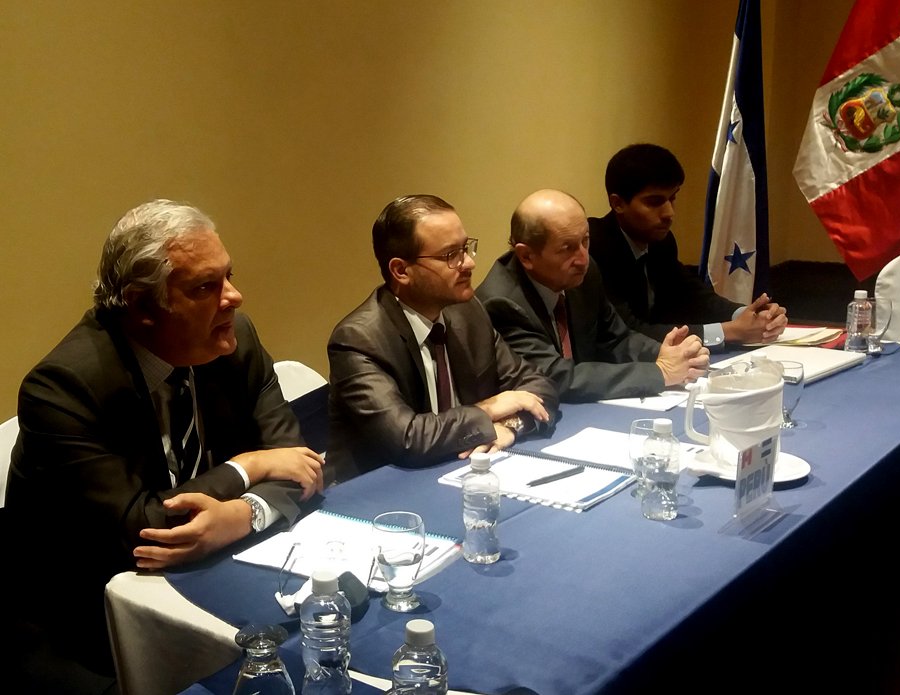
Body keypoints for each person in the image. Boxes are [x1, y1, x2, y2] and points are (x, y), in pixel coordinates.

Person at [6, 200, 325, 678]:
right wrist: (250, 467)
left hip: (211, 572)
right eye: (205, 287)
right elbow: (143, 528)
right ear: (141, 306)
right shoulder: (64, 388)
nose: (234, 297)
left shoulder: (231, 339)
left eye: (228, 276)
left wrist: (243, 514)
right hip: (90, 626)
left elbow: (295, 461)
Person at [326, 194, 559, 479]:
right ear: (401, 270)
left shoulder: (468, 313)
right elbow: (408, 438)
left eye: (465, 248)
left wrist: (509, 427)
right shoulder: (358, 340)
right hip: (382, 488)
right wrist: (486, 411)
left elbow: (538, 386)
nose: (469, 263)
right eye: (450, 255)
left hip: (457, 468)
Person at [476, 189, 709, 402]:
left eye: (585, 240)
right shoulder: (502, 304)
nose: (583, 259)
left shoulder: (582, 273)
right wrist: (661, 372)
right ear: (526, 256)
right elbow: (555, 377)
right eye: (567, 248)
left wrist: (668, 354)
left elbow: (616, 338)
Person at [588, 143, 787, 349]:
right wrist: (729, 331)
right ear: (618, 203)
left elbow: (691, 295)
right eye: (654, 202)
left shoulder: (661, 242)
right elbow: (626, 331)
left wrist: (747, 314)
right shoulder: (593, 247)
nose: (669, 213)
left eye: (672, 198)